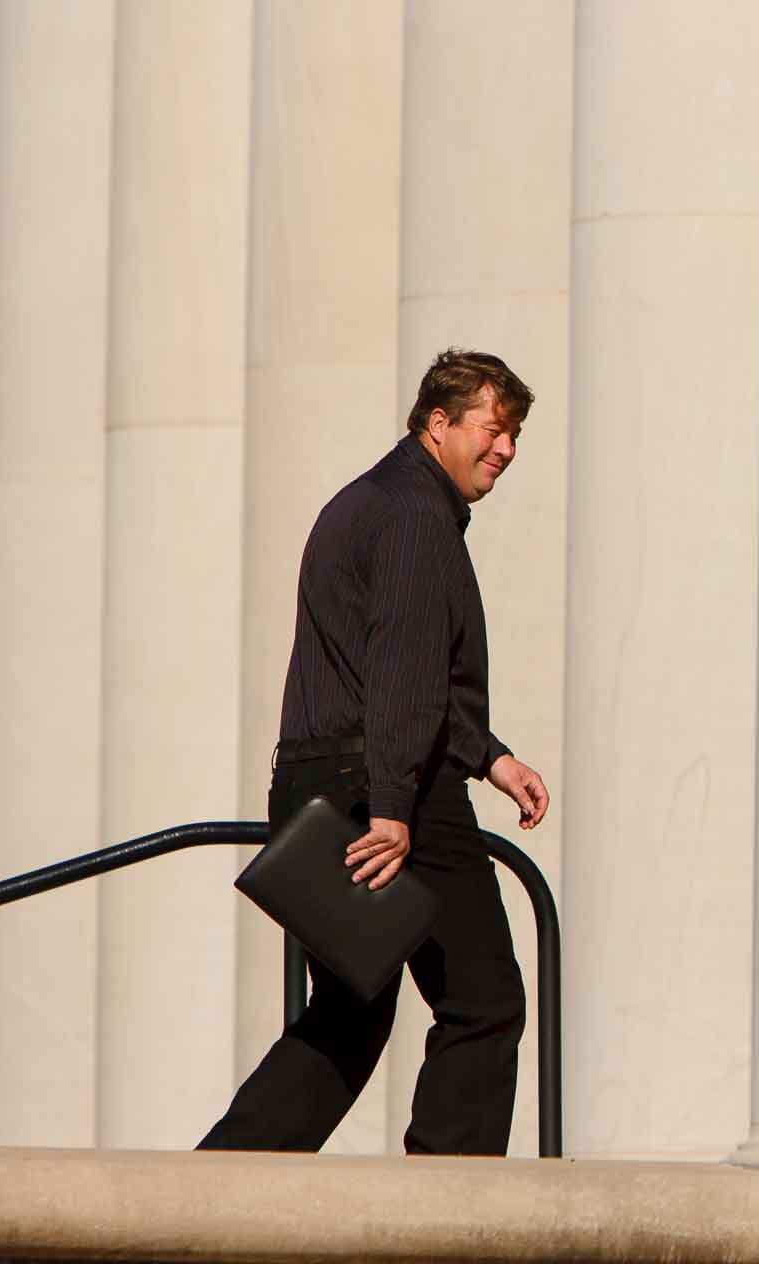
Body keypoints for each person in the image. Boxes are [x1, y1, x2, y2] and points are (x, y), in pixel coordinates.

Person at [199, 349, 551, 1156]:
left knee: (354, 1008)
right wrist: (394, 810)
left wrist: (492, 759)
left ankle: (229, 1178)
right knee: (482, 1000)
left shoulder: (370, 503)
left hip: (319, 780)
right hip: (395, 792)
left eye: (515, 435)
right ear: (440, 424)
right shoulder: (414, 521)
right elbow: (403, 680)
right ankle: (448, 1205)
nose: (506, 450)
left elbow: (392, 668)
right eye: (494, 430)